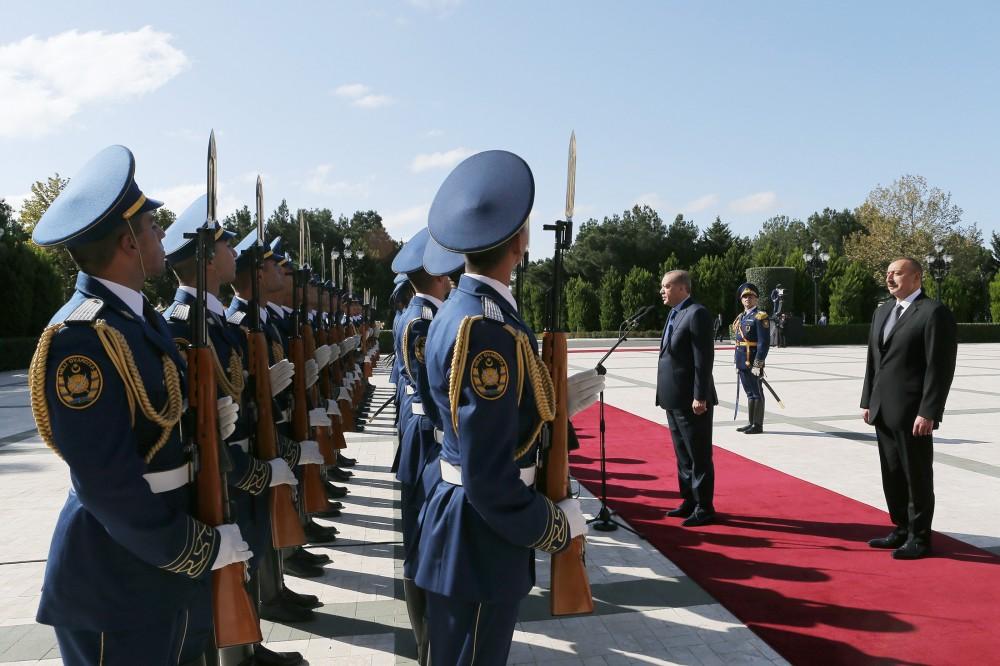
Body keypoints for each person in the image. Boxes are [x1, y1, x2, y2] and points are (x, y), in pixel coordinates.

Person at [28, 145, 251, 665]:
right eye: (152, 226)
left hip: (152, 571)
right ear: (129, 241)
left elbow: (151, 425)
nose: (161, 234)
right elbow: (106, 484)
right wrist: (195, 547)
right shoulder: (82, 338)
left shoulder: (136, 319)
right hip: (115, 582)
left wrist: (201, 424)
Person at [414, 150, 595, 664]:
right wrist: (552, 525)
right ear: (519, 241)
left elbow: (456, 419)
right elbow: (488, 477)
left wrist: (543, 410)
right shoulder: (486, 331)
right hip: (481, 536)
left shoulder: (460, 312)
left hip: (466, 526)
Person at [162, 196, 307, 665]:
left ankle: (248, 647)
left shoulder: (218, 322)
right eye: (226, 244)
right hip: (224, 469)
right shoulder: (183, 325)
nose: (234, 252)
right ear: (207, 257)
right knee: (223, 570)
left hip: (241, 460)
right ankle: (236, 656)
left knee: (249, 551)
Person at [389, 228, 465, 665]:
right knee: (421, 542)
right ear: (437, 275)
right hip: (426, 438)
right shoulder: (422, 320)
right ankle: (426, 640)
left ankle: (428, 639)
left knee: (422, 538)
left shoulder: (421, 314)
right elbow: (433, 391)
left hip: (422, 431)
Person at [861, 258, 957, 560]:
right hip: (883, 409)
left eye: (897, 273)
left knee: (916, 475)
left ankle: (920, 537)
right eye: (888, 273)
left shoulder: (933, 312)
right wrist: (867, 400)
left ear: (916, 277)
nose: (890, 278)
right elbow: (873, 361)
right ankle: (902, 528)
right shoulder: (882, 312)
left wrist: (929, 411)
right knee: (892, 473)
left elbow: (939, 367)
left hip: (913, 412)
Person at [655, 270, 719, 526]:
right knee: (682, 455)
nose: (662, 290)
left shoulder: (697, 313)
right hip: (673, 398)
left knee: (698, 454)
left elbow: (703, 359)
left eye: (667, 286)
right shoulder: (674, 313)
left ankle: (705, 507)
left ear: (682, 288)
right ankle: (689, 500)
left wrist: (700, 395)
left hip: (693, 400)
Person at [732, 282, 770, 434]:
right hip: (742, 361)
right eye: (745, 297)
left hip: (753, 361)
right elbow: (738, 343)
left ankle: (758, 425)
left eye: (751, 296)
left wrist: (758, 364)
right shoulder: (741, 317)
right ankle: (751, 422)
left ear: (756, 299)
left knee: (757, 392)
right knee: (749, 393)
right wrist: (737, 362)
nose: (748, 299)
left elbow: (764, 343)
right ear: (741, 300)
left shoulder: (760, 317)